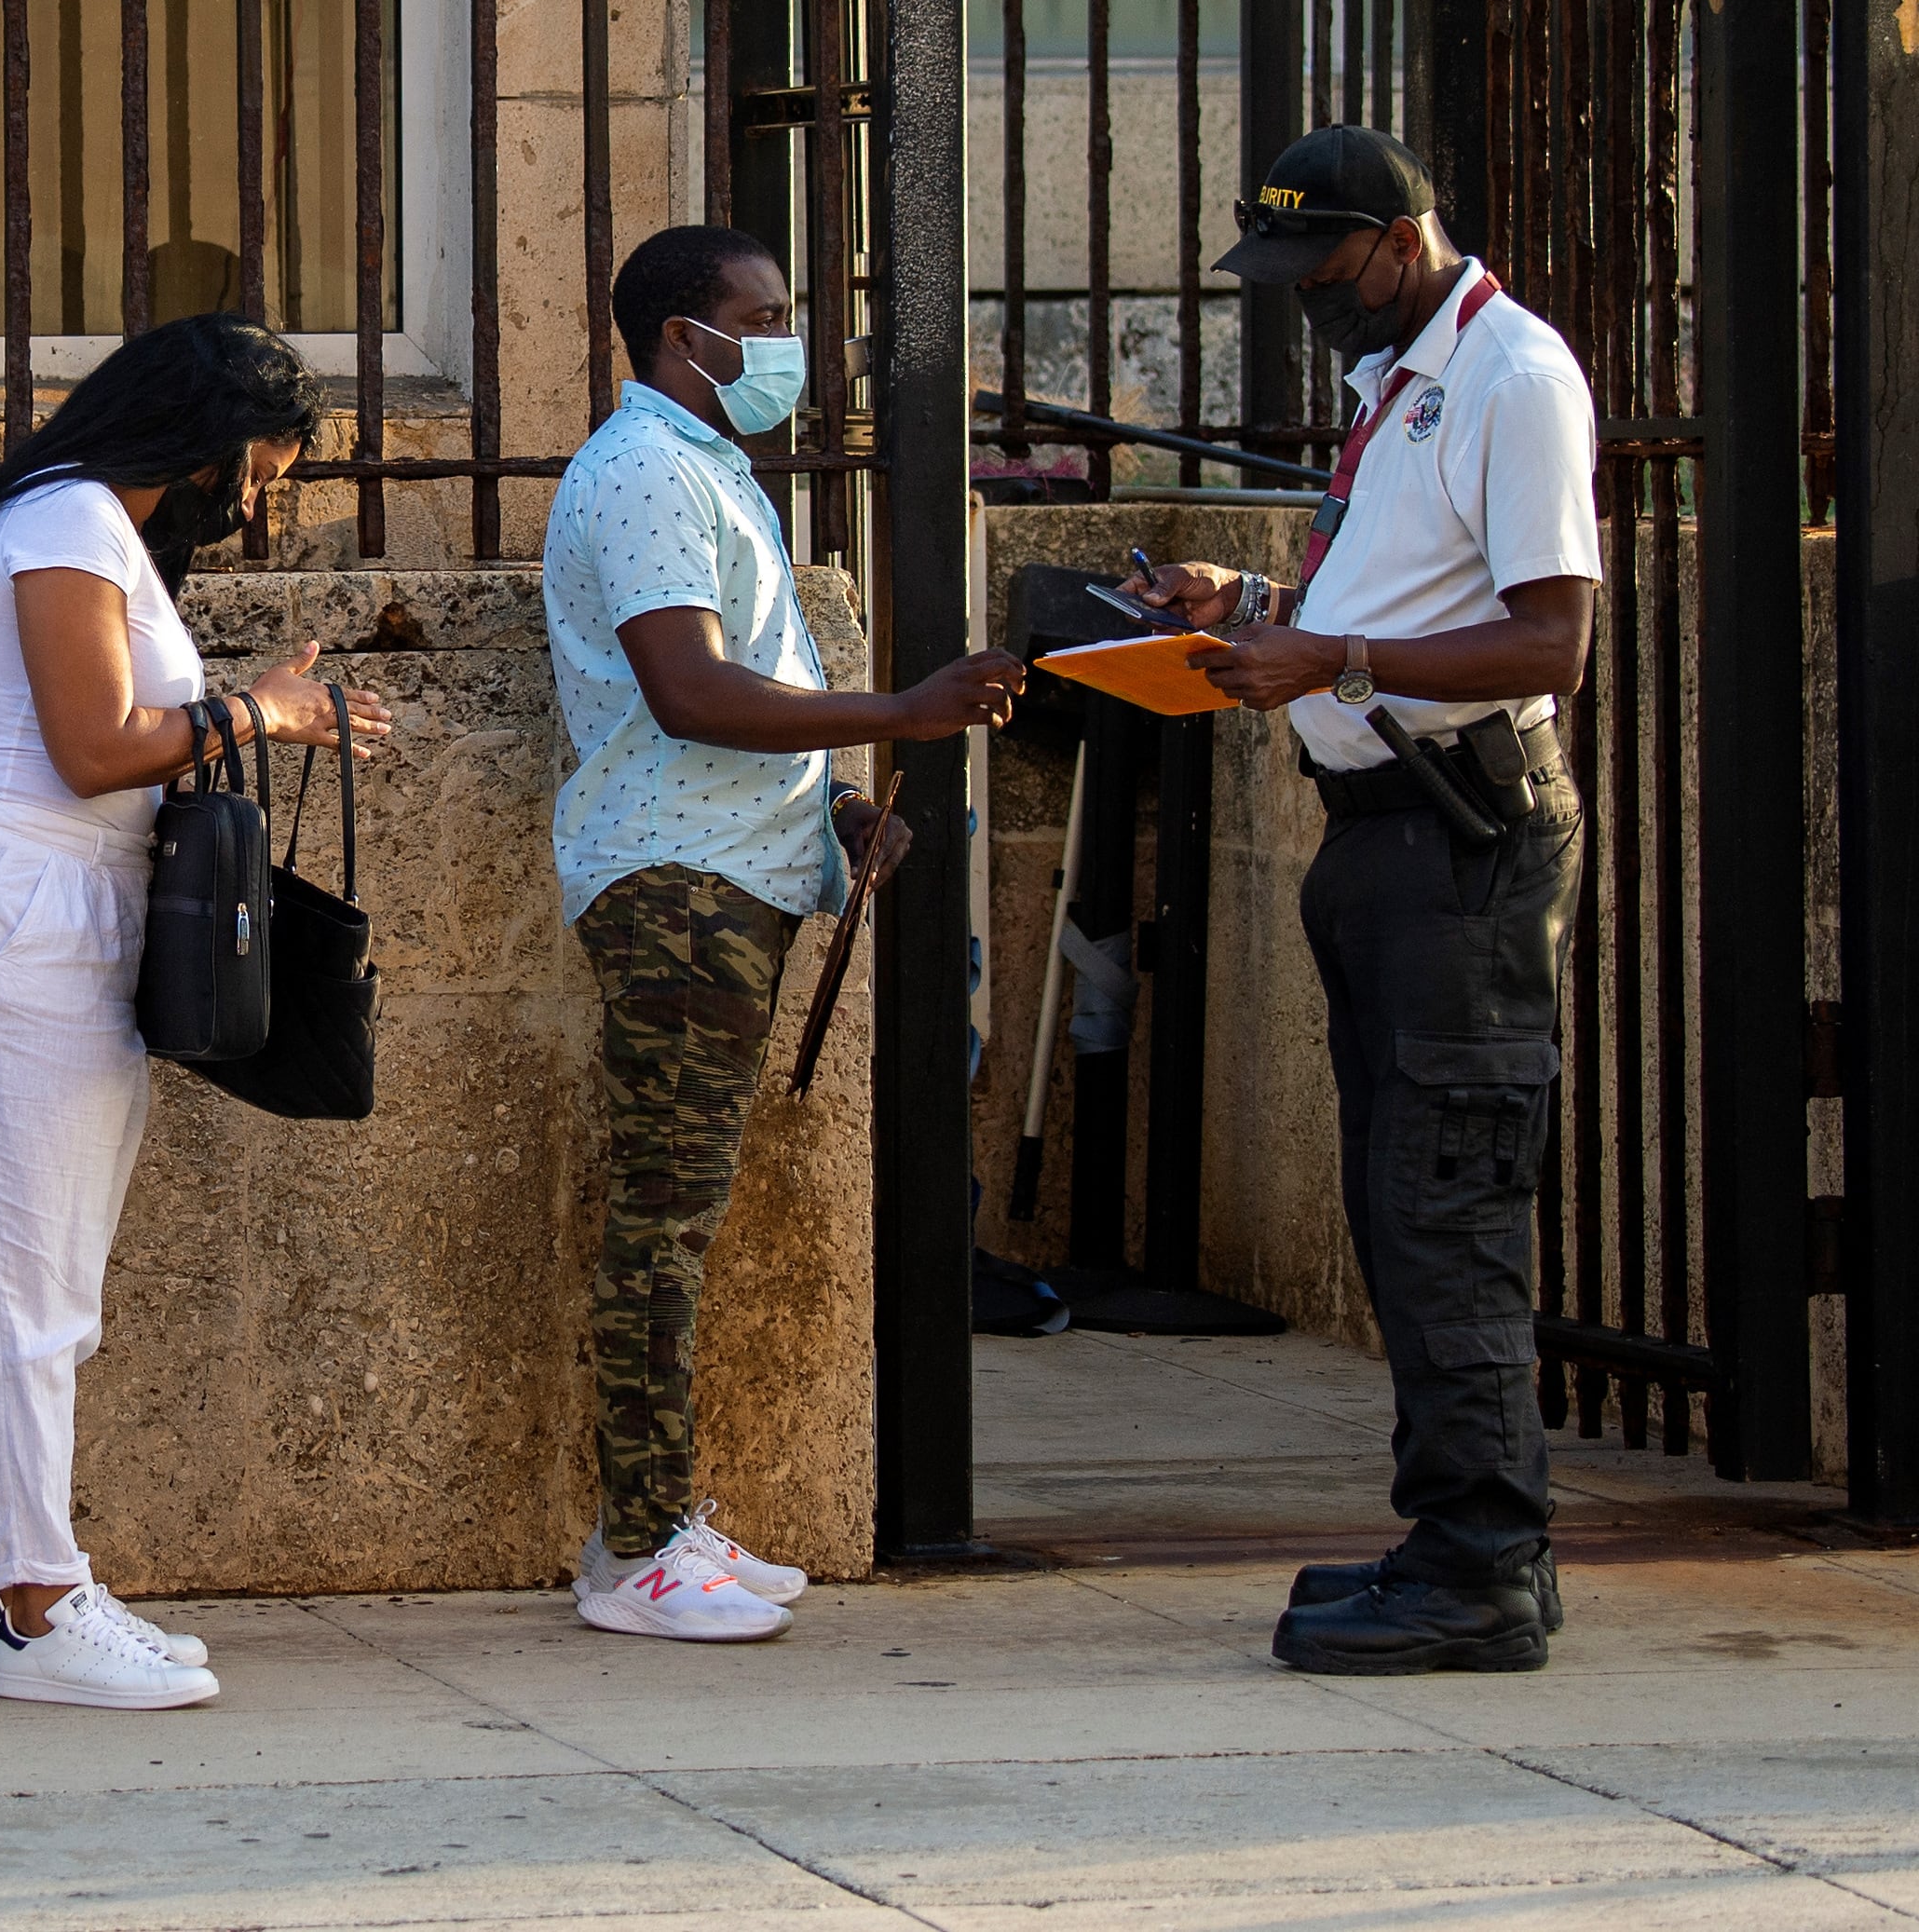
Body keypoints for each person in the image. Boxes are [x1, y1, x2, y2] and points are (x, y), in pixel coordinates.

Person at [1130, 124, 1596, 1677]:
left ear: (1401, 240)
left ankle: (1484, 1564)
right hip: (1383, 842)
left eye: (1322, 267)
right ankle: (1461, 1536)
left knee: (1448, 1202)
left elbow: (1548, 641)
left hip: (1463, 838)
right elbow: (1401, 604)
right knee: (1402, 1207)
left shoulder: (1514, 376)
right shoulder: (1394, 381)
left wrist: (1330, 658)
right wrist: (1257, 612)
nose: (1307, 299)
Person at [0, 314, 389, 1711]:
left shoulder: (96, 527)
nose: (257, 503)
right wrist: (260, 714)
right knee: (27, 1282)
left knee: (59, 1282)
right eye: (262, 471)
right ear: (208, 433)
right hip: (16, 911)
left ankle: (40, 1581)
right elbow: (94, 745)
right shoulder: (64, 520)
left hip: (69, 908)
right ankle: (34, 1609)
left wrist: (261, 715)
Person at [546, 224, 1022, 1644]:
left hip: (730, 875)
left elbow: (732, 689)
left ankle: (648, 1523)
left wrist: (839, 804)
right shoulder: (645, 469)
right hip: (678, 887)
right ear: (683, 335)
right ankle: (643, 1548)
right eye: (761, 317)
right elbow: (689, 693)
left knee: (681, 1218)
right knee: (663, 1224)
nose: (787, 342)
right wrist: (903, 712)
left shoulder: (704, 468)